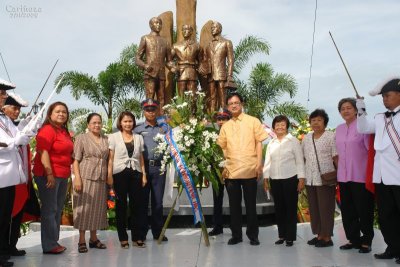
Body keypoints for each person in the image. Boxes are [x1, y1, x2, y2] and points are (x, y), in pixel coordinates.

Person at [357, 77, 400, 264]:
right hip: (382, 176)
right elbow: (363, 128)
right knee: (386, 216)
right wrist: (361, 108)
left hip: (398, 175)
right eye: (383, 97)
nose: (384, 99)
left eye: (388, 96)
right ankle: (393, 247)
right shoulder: (380, 118)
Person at [217, 92, 268, 246]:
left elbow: (259, 142)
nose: (234, 105)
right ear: (227, 106)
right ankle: (236, 235)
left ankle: (253, 235)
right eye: (231, 103)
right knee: (234, 206)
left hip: (250, 168)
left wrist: (259, 164)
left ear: (242, 104)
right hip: (231, 171)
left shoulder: (253, 121)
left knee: (251, 205)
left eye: (236, 102)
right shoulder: (225, 126)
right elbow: (221, 148)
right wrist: (223, 167)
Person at [0, 78, 34, 267]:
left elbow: (16, 135)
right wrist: (17, 139)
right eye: (2, 93)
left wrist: (27, 126)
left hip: (9, 177)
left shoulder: (4, 119)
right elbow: (6, 143)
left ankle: (3, 252)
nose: (4, 97)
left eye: (4, 93)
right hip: (2, 174)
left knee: (5, 217)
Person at [33, 101, 73, 254]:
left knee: (57, 210)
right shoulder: (48, 130)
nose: (61, 114)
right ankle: (49, 245)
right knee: (50, 210)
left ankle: (53, 241)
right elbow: (43, 153)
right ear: (50, 114)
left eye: (64, 112)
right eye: (58, 111)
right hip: (48, 175)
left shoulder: (63, 131)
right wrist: (49, 173)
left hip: (62, 175)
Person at [335, 98, 374, 253]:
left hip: (360, 175)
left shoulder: (363, 126)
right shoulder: (338, 129)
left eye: (349, 108)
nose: (346, 111)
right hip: (343, 176)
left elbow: (369, 150)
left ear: (356, 109)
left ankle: (367, 240)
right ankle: (353, 239)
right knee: (348, 210)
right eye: (342, 108)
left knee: (364, 209)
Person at [263, 115, 305, 247]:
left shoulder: (293, 141)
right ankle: (281, 235)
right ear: (274, 127)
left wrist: (301, 178)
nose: (279, 126)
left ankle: (290, 237)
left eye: (282, 124)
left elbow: (299, 160)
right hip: (275, 179)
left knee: (290, 208)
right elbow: (268, 162)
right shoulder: (271, 143)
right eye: (277, 124)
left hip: (290, 178)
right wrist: (265, 178)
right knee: (279, 208)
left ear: (286, 126)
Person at [108, 111, 147, 248]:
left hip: (136, 172)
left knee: (136, 205)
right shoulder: (113, 137)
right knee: (121, 205)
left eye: (130, 121)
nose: (127, 124)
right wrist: (109, 176)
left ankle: (137, 237)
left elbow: (141, 158)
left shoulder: (138, 137)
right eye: (125, 121)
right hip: (119, 173)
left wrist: (144, 174)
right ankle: (123, 238)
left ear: (133, 122)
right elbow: (111, 158)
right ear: (120, 123)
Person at [72, 113, 110, 253]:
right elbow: (75, 160)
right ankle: (81, 240)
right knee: (84, 209)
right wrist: (77, 178)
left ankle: (94, 239)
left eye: (99, 122)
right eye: (94, 122)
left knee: (97, 209)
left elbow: (108, 159)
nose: (97, 125)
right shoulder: (81, 138)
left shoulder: (106, 139)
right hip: (85, 177)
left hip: (101, 179)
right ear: (88, 124)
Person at [302, 109, 338, 248]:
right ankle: (319, 235)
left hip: (325, 178)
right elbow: (303, 157)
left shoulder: (330, 136)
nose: (316, 123)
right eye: (313, 120)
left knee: (326, 208)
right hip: (310, 179)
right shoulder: (307, 138)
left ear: (324, 122)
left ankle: (327, 237)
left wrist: (339, 175)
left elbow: (335, 156)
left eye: (319, 120)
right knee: (315, 208)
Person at [134, 99, 168, 242]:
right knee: (142, 202)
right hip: (143, 169)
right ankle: (141, 232)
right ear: (143, 111)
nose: (150, 112)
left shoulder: (165, 128)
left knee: (158, 202)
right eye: (147, 109)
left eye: (153, 109)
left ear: (157, 111)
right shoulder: (138, 129)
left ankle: (157, 232)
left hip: (159, 168)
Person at [135, 17, 173, 109]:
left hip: (161, 74)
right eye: (156, 23)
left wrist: (174, 68)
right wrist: (144, 65)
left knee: (162, 99)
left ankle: (161, 121)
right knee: (150, 98)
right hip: (150, 73)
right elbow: (137, 58)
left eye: (160, 23)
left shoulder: (165, 42)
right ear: (150, 25)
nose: (158, 25)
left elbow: (169, 61)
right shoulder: (145, 38)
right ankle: (149, 121)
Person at [199, 21, 234, 113]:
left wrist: (230, 75)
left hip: (221, 74)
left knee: (223, 97)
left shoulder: (227, 42)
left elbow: (231, 60)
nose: (212, 30)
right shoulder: (208, 45)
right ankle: (212, 117)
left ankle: (225, 115)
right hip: (211, 75)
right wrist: (203, 67)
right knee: (212, 97)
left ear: (219, 29)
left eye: (214, 28)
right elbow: (205, 60)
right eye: (211, 28)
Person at [208, 108, 231, 236]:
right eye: (219, 119)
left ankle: (235, 226)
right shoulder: (212, 134)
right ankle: (217, 226)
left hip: (230, 170)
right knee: (217, 200)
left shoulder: (233, 133)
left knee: (233, 200)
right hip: (216, 171)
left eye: (224, 119)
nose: (221, 121)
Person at [171, 24, 200, 97]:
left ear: (191, 32)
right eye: (183, 29)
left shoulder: (197, 46)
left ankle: (193, 108)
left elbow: (201, 60)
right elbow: (169, 60)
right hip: (181, 71)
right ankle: (181, 109)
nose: (185, 31)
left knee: (193, 96)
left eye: (187, 29)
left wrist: (199, 67)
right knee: (181, 95)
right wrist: (173, 67)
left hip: (192, 71)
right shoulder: (176, 45)